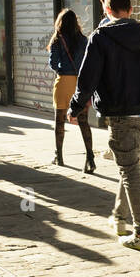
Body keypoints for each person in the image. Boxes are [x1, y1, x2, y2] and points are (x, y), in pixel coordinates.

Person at [68, 0, 140, 252]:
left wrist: (75, 107)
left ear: (107, 10)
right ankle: (118, 218)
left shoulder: (100, 37)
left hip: (119, 114)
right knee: (128, 164)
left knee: (129, 169)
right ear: (131, 8)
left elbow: (87, 79)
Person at [48, 9, 95, 172]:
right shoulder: (83, 40)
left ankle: (59, 157)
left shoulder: (57, 39)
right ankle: (90, 158)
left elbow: (53, 63)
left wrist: (62, 69)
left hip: (63, 82)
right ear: (76, 22)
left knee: (59, 121)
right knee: (83, 122)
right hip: (80, 84)